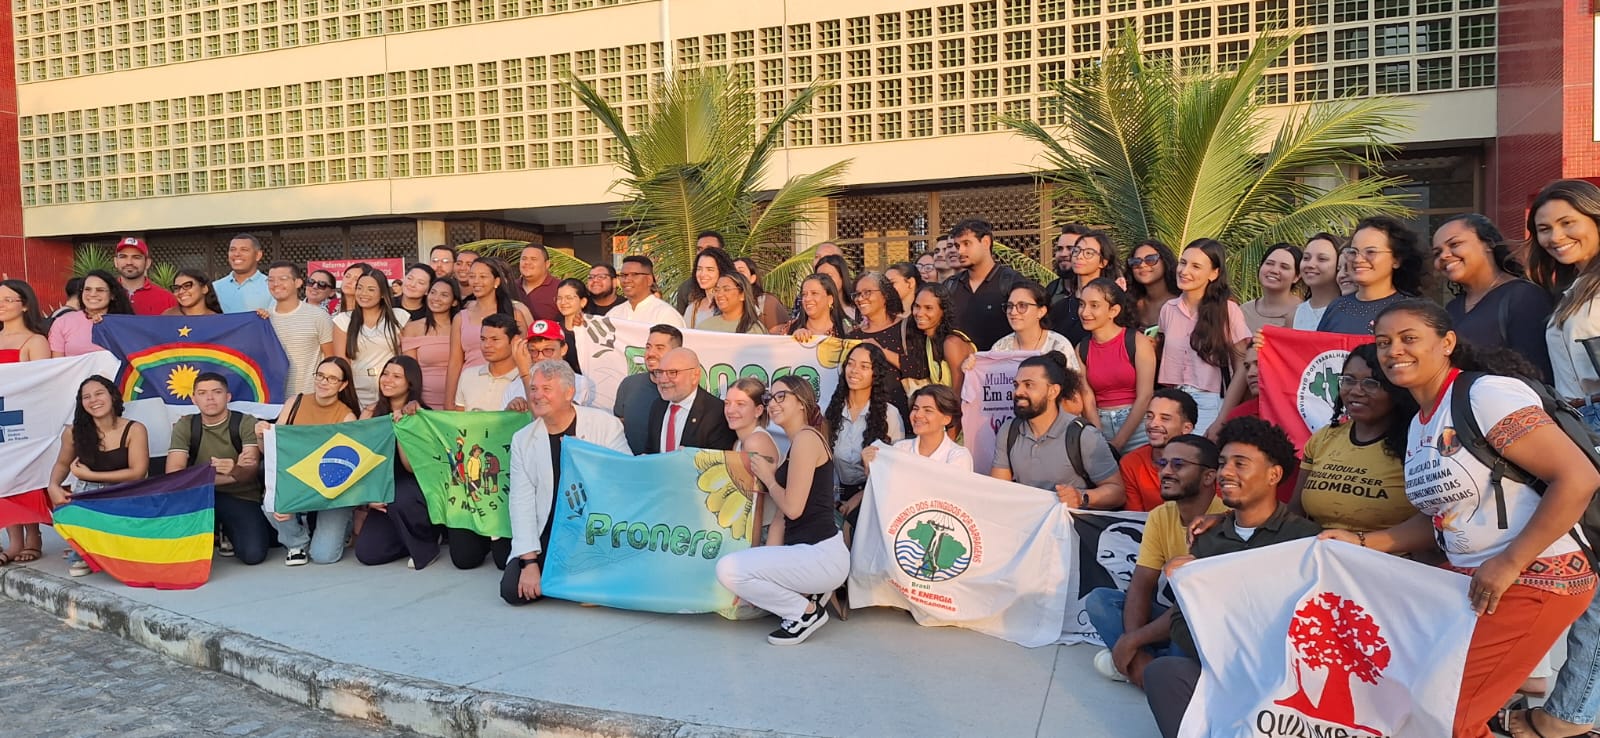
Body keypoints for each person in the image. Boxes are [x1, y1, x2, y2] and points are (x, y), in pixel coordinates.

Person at [1320, 300, 1599, 738]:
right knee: (1429, 709)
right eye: (1384, 342)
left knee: (1442, 716)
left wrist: (1509, 563)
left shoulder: (1485, 394)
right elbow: (1442, 520)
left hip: (1535, 579)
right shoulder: (1420, 425)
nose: (1394, 351)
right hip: (1474, 585)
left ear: (1447, 342)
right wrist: (1358, 542)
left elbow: (1577, 478)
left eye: (1409, 339)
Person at [1143, 418, 1323, 738]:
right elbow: (1181, 623)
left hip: (1281, 679)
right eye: (1224, 463)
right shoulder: (1208, 539)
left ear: (1274, 474)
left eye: (1240, 464)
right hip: (1219, 668)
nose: (1226, 473)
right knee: (1163, 673)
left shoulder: (1306, 540)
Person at [1519, 180, 1600, 738]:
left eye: (1568, 223)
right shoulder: (1578, 287)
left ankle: (1570, 716)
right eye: (1545, 228)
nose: (1555, 236)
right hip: (1579, 429)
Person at [716, 375, 848, 645]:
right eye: (770, 397)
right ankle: (805, 599)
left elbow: (792, 508)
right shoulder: (795, 445)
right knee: (739, 571)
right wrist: (763, 561)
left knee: (728, 569)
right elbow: (780, 517)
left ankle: (805, 612)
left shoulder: (807, 440)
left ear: (801, 403)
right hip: (807, 552)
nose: (773, 403)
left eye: (781, 396)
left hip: (821, 554)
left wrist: (770, 478)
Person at [1089, 433, 1226, 687]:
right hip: (1172, 620)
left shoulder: (1225, 519)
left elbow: (1193, 608)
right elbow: (1142, 584)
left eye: (1179, 465)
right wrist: (1133, 639)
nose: (1166, 472)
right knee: (1100, 601)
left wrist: (1132, 642)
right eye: (1163, 464)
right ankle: (1148, 669)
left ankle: (1139, 670)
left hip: (1201, 623)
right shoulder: (1159, 516)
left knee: (1185, 636)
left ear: (1209, 476)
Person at [502, 358, 631, 605]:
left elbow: (623, 480)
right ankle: (575, 583)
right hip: (551, 530)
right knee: (512, 591)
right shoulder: (523, 440)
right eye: (534, 389)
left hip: (594, 529)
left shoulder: (604, 425)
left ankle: (578, 579)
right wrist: (529, 563)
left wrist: (584, 458)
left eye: (546, 389)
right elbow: (521, 502)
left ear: (569, 392)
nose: (537, 396)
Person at [1289, 344, 1417, 533]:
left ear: (1395, 389)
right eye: (1348, 380)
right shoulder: (1323, 438)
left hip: (1387, 559)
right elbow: (1295, 510)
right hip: (1321, 554)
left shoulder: (1415, 444)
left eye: (1371, 383)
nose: (1356, 391)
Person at [258, 357, 361, 565]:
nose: (324, 382)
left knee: (324, 556)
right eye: (321, 375)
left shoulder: (347, 417)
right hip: (295, 480)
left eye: (332, 379)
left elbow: (347, 469)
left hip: (331, 489)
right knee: (271, 504)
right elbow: (271, 453)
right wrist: (261, 436)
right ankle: (296, 542)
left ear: (343, 385)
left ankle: (344, 524)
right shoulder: (294, 402)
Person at [991, 352, 1126, 509]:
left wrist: (1081, 497)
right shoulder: (1008, 431)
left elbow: (1117, 493)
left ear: (1053, 391)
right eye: (1016, 385)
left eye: (1028, 385)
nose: (1018, 392)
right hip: (1026, 526)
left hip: (1071, 529)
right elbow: (998, 490)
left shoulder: (1083, 435)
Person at [44, 376, 150, 576]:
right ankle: (85, 550)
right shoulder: (73, 432)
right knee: (78, 563)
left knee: (132, 558)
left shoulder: (135, 429)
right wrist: (53, 486)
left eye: (99, 393)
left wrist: (93, 474)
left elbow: (137, 473)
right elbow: (62, 463)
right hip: (87, 495)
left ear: (112, 396)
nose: (93, 400)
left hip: (124, 493)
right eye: (86, 397)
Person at [165, 372, 269, 565]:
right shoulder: (186, 425)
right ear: (193, 399)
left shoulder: (246, 422)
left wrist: (234, 472)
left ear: (228, 397)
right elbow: (174, 474)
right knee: (172, 550)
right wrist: (231, 473)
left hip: (241, 496)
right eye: (202, 393)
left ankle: (225, 529)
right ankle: (217, 530)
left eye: (216, 392)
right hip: (198, 497)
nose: (210, 398)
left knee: (253, 554)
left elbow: (250, 472)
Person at [1438, 214, 1554, 382]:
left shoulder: (1524, 297)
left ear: (1489, 243)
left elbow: (1537, 374)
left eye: (1454, 244)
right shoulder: (1452, 308)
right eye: (1437, 253)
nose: (1444, 256)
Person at [355, 356, 442, 570]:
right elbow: (359, 459)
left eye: (396, 376)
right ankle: (407, 538)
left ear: (410, 383)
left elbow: (411, 467)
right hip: (382, 488)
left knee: (399, 495)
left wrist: (402, 430)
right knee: (368, 553)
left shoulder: (422, 415)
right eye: (385, 374)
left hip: (415, 488)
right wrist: (368, 497)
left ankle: (427, 543)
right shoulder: (369, 413)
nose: (387, 380)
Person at [1158, 239, 1250, 434]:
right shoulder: (1168, 309)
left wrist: (1223, 418)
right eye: (1182, 263)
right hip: (1173, 401)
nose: (1184, 271)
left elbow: (1242, 367)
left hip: (1210, 403)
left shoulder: (1228, 311)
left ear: (1214, 273)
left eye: (1196, 266)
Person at [826, 343, 908, 525]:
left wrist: (859, 498)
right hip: (833, 500)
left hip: (875, 499)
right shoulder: (831, 411)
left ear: (876, 374)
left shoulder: (890, 414)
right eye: (851, 364)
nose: (854, 371)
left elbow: (895, 471)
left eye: (864, 367)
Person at [0, 280, 52, 565]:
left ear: (25, 304)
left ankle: (33, 536)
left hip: (25, 418)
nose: (1, 305)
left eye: (8, 299)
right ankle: (13, 541)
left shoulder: (35, 341)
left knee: (27, 473)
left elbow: (42, 384)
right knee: (3, 473)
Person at [1079, 278, 1156, 453]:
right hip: (1100, 423)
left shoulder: (1137, 342)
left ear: (1113, 310)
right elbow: (1087, 398)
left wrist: (1118, 442)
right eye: (1082, 304)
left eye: (1094, 305)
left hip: (1138, 426)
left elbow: (1145, 395)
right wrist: (1098, 435)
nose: (1085, 312)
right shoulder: (1082, 349)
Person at [445, 257, 533, 410]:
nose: (476, 281)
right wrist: (449, 400)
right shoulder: (461, 317)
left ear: (496, 281)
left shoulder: (515, 314)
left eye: (483, 276)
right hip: (471, 387)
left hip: (509, 385)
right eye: (472, 276)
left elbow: (525, 354)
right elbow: (455, 362)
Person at [1317, 216, 1429, 335]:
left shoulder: (1414, 310)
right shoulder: (1337, 307)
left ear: (1396, 259)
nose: (1358, 259)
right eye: (1353, 252)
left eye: (1370, 252)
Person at [634, 347, 737, 454]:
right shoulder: (658, 406)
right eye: (660, 372)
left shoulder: (716, 413)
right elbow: (651, 451)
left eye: (672, 372)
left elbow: (717, 465)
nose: (662, 380)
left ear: (695, 376)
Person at [334, 265, 410, 409]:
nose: (363, 293)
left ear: (382, 293)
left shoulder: (399, 317)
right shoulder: (343, 320)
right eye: (360, 288)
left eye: (371, 289)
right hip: (356, 392)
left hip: (391, 390)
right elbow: (342, 363)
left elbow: (407, 359)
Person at [944, 218, 1024, 351]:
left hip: (1002, 366)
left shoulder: (1012, 282)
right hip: (959, 368)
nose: (960, 251)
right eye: (957, 246)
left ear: (986, 242)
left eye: (966, 244)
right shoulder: (950, 286)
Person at [725, 377, 784, 545]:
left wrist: (752, 549)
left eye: (740, 404)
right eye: (727, 403)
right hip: (747, 529)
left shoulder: (756, 441)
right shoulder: (739, 443)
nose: (731, 410)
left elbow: (756, 504)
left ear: (758, 410)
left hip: (764, 533)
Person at [263, 261, 335, 399]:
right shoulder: (264, 319)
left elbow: (331, 360)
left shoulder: (318, 316)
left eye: (283, 279)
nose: (276, 284)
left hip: (310, 399)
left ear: (298, 283)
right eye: (271, 280)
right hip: (273, 401)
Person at [1119, 389, 1198, 513]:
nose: (1152, 424)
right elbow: (1134, 518)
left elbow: (1220, 513)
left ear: (1186, 428)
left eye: (1165, 418)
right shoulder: (1131, 462)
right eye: (1149, 416)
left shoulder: (1206, 461)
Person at [864, 384, 973, 471]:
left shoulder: (958, 456)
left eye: (928, 410)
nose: (918, 415)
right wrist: (870, 467)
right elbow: (884, 489)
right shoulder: (900, 449)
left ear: (946, 419)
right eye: (915, 408)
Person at [615, 324, 682, 453]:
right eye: (648, 347)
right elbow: (619, 425)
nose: (650, 353)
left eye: (660, 348)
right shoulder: (628, 385)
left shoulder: (684, 392)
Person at [500, 321, 597, 409]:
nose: (540, 357)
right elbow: (503, 426)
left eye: (548, 350)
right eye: (533, 351)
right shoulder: (513, 387)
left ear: (563, 349)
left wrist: (525, 374)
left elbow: (558, 417)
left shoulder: (578, 383)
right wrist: (510, 412)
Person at [1048, 229, 1121, 345]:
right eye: (1076, 251)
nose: (1079, 256)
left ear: (1103, 262)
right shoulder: (1060, 307)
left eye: (1088, 253)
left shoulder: (1115, 302)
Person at [902, 283, 975, 394]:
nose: (920, 313)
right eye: (917, 306)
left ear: (943, 311)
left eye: (928, 308)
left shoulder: (952, 342)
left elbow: (960, 393)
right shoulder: (928, 339)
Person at [401, 277, 460, 411]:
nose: (436, 298)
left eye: (444, 295)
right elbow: (410, 370)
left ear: (454, 301)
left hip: (459, 400)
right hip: (423, 403)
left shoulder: (461, 326)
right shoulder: (412, 328)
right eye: (433, 292)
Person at [49, 270, 131, 357]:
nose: (92, 294)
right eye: (87, 289)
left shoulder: (124, 324)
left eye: (100, 290)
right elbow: (57, 364)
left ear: (112, 295)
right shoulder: (62, 323)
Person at [991, 281, 1080, 359]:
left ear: (1041, 311)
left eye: (1022, 306)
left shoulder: (1058, 346)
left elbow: (1073, 377)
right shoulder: (1000, 348)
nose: (1013, 312)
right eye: (1010, 306)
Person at [456, 313, 523, 412]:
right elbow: (459, 420)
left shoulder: (526, 380)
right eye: (483, 339)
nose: (486, 345)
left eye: (495, 339)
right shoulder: (467, 375)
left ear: (514, 341)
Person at [847, 271, 907, 375]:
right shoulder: (853, 336)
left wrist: (880, 350)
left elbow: (919, 369)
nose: (860, 299)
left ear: (885, 295)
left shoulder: (906, 328)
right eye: (857, 294)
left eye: (867, 292)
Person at [1239, 243, 1303, 334]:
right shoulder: (1243, 311)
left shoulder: (1304, 313)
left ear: (1297, 277)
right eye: (1269, 263)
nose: (1274, 270)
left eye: (1284, 267)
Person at [607, 255, 685, 327]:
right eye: (623, 275)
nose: (626, 280)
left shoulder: (666, 314)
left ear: (649, 280)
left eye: (634, 275)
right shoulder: (614, 314)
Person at [112, 237, 177, 315]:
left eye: (136, 257)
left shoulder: (167, 299)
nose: (129, 262)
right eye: (123, 257)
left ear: (147, 263)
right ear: (115, 261)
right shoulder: (103, 295)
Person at [1125, 240, 1179, 331]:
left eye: (1150, 259)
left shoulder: (1180, 304)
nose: (1142, 265)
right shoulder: (1129, 304)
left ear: (1165, 262)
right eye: (1136, 261)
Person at [1293, 233, 1343, 330]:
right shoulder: (1294, 314)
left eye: (1322, 259)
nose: (1310, 264)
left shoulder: (1353, 311)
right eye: (1306, 258)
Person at [215, 233, 273, 313]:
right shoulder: (215, 288)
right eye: (232, 250)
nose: (237, 254)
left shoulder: (271, 286)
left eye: (244, 250)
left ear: (258, 255)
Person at [680, 247, 737, 328]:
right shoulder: (692, 309)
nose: (702, 274)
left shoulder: (738, 305)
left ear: (722, 271)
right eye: (699, 269)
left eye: (710, 269)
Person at [1043, 223, 1093, 309]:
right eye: (1059, 249)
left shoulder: (1104, 290)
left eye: (1071, 248)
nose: (1063, 254)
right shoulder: (1051, 291)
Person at [699, 272, 766, 334]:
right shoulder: (704, 327)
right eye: (717, 290)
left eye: (726, 289)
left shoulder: (755, 330)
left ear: (742, 295)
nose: (719, 294)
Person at [786, 274, 849, 339]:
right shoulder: (792, 328)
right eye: (804, 294)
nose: (807, 299)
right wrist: (793, 340)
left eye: (814, 293)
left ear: (830, 299)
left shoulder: (848, 330)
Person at [734, 257, 786, 333]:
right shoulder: (722, 303)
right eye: (732, 272)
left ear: (752, 278)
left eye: (741, 271)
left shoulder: (767, 302)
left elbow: (778, 338)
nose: (736, 276)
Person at [512, 244, 561, 322]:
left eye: (533, 259)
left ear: (547, 264)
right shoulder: (510, 287)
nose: (527, 263)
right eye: (524, 259)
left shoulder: (560, 288)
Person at [814, 254, 858, 322]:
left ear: (842, 277)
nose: (824, 282)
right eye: (819, 277)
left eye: (829, 276)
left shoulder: (858, 310)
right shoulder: (811, 311)